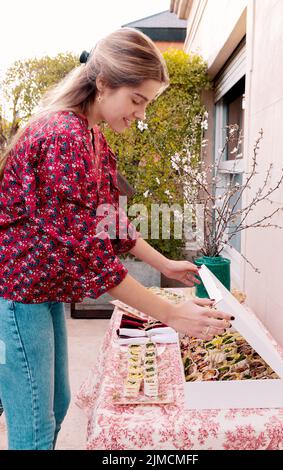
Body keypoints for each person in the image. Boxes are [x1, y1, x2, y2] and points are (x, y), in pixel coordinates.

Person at [0, 28, 233, 450]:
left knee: (56, 403)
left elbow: (108, 220)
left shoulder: (91, 136)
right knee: (34, 421)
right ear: (104, 84)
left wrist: (163, 265)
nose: (141, 114)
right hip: (18, 296)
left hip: (42, 289)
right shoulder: (62, 137)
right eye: (138, 100)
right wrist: (170, 314)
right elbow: (90, 257)